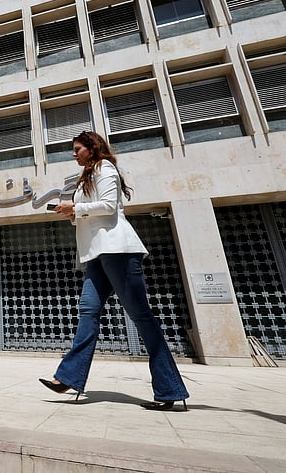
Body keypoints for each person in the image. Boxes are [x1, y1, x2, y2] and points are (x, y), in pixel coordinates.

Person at [39, 131, 190, 411]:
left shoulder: (104, 168)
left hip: (116, 249)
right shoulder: (87, 176)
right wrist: (73, 213)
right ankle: (69, 376)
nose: (74, 154)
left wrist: (76, 207)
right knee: (88, 310)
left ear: (91, 148)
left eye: (77, 149)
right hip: (96, 253)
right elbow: (89, 214)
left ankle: (169, 389)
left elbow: (109, 207)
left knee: (141, 317)